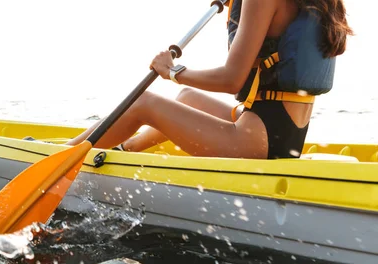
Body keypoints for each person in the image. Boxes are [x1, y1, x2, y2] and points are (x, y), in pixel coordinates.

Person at [66, 0, 353, 159]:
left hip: (257, 141)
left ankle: (61, 156)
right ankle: (123, 151)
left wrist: (173, 72)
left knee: (144, 103)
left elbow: (232, 79)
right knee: (187, 99)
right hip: (286, 133)